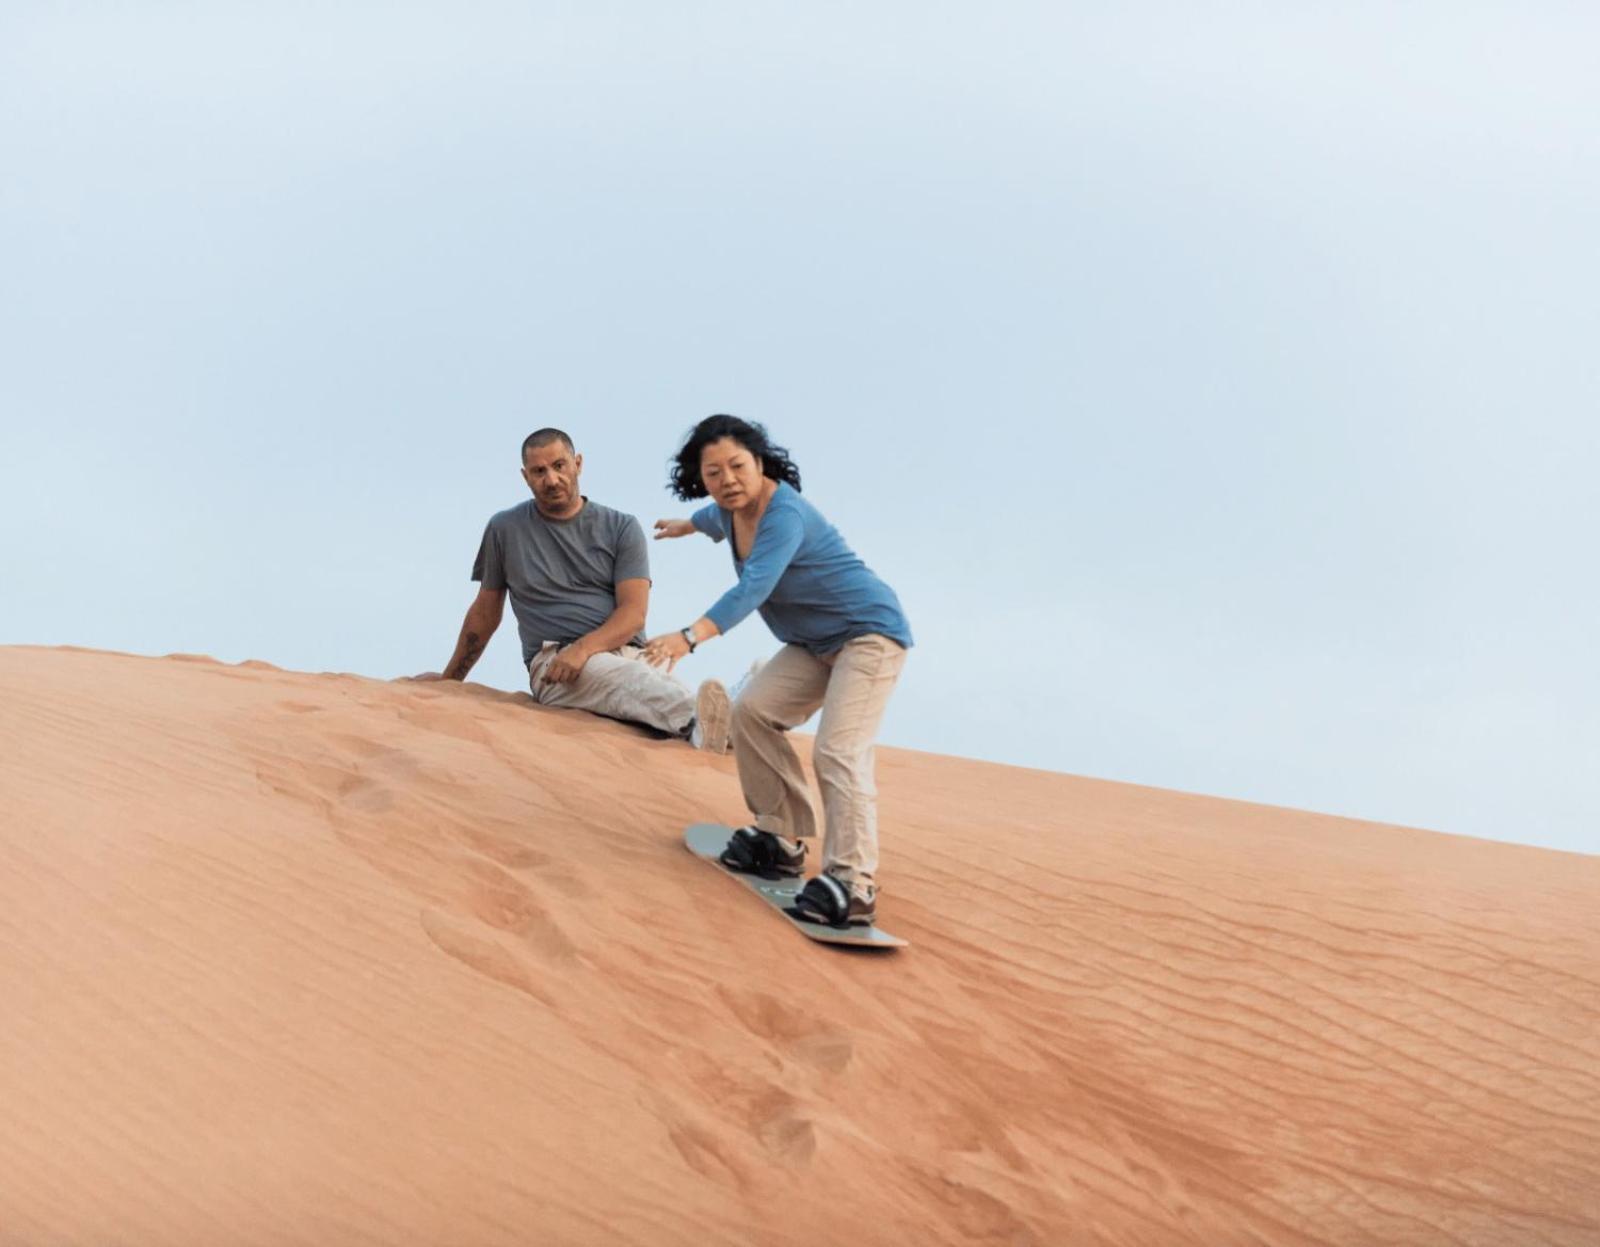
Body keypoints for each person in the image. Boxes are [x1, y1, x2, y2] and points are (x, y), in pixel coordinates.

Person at [643, 415, 912, 927]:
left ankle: (853, 883)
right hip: (814, 643)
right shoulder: (726, 512)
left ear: (760, 462)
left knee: (839, 750)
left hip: (868, 635)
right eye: (714, 472)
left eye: (738, 466)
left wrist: (689, 636)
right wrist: (684, 526)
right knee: (753, 712)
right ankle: (780, 835)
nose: (728, 480)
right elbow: (711, 518)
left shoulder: (784, 514)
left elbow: (753, 589)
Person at [421, 428, 732, 752]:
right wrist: (450, 681)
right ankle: (701, 725)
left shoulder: (621, 527)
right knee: (641, 686)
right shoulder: (505, 529)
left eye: (559, 466)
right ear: (525, 477)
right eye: (539, 472)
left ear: (578, 464)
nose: (552, 479)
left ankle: (735, 729)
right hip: (556, 664)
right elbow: (485, 613)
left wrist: (585, 648)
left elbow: (633, 614)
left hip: (626, 654)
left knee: (656, 684)